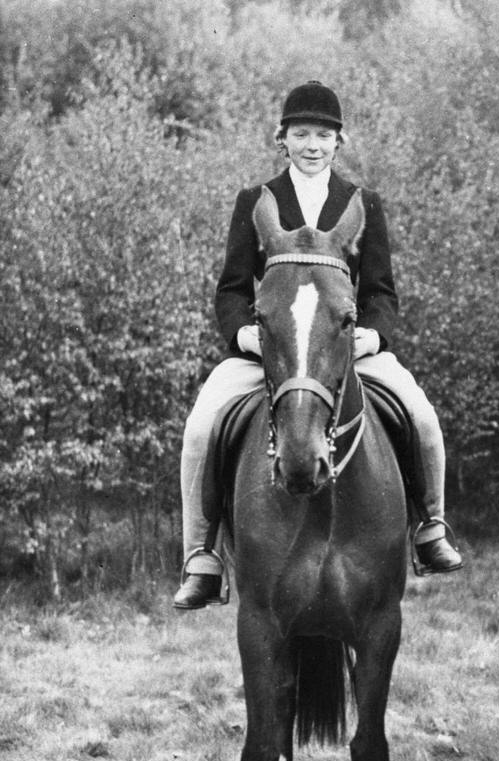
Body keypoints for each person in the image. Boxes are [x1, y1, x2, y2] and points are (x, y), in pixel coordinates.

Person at [172, 80, 463, 610]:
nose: (312, 144)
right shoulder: (255, 201)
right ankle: (202, 556)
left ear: (339, 141)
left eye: (323, 135)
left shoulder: (362, 202)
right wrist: (243, 334)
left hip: (346, 350)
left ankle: (431, 526)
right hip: (273, 353)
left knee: (421, 416)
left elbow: (381, 289)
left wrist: (375, 332)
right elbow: (232, 288)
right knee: (201, 427)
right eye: (301, 133)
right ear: (282, 139)